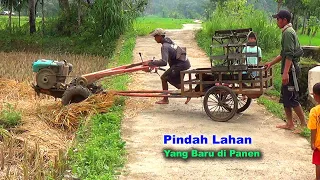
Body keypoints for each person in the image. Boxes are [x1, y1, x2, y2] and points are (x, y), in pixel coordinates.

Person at [264, 10, 306, 133]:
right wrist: (270, 63)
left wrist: (286, 72)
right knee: (286, 97)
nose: (276, 21)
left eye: (278, 19)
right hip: (289, 69)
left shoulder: (287, 33)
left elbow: (289, 55)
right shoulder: (287, 31)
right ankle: (290, 123)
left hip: (291, 70)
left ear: (284, 20)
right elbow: (283, 54)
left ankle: (303, 124)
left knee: (292, 97)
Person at [143, 28, 191, 104]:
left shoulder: (165, 46)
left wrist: (150, 63)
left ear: (160, 36)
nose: (155, 38)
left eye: (155, 36)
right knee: (172, 80)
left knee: (164, 78)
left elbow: (164, 62)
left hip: (180, 65)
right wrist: (153, 62)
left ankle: (165, 99)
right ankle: (187, 92)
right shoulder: (169, 42)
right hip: (184, 63)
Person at [308, 82, 320, 180]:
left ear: (315, 96)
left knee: (318, 163)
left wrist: (312, 142)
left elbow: (313, 128)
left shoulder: (315, 111)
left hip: (319, 144)